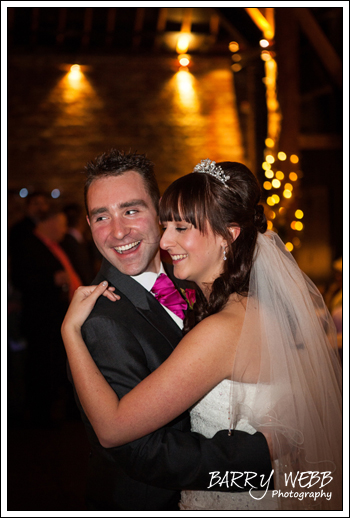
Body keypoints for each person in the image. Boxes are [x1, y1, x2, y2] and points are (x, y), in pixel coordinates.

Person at [62, 158, 342, 511]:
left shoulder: (209, 297)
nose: (118, 232)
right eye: (101, 216)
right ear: (88, 223)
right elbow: (134, 448)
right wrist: (261, 456)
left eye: (131, 211)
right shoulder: (103, 316)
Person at [13, 207, 82, 426]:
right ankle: (40, 416)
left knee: (53, 365)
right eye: (61, 223)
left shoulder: (53, 245)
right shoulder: (29, 245)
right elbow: (22, 279)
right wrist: (52, 280)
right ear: (49, 222)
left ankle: (51, 409)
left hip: (55, 317)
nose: (64, 229)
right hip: (42, 320)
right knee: (41, 367)